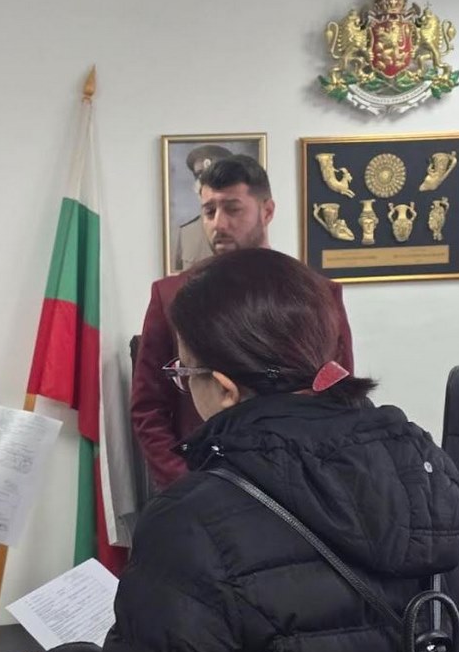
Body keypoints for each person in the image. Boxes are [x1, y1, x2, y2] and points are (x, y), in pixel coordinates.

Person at [23, 249, 459, 652]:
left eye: (184, 373)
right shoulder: (440, 477)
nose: (184, 384)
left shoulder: (193, 523)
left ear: (224, 389)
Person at [132, 155, 355, 490]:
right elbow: (149, 407)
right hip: (203, 483)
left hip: (303, 483)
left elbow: (340, 394)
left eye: (232, 209)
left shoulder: (316, 294)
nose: (218, 224)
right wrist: (185, 484)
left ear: (267, 211)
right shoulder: (170, 296)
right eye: (209, 211)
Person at [172, 143, 232, 272]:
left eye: (215, 174)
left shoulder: (244, 227)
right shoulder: (186, 232)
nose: (206, 182)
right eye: (199, 175)